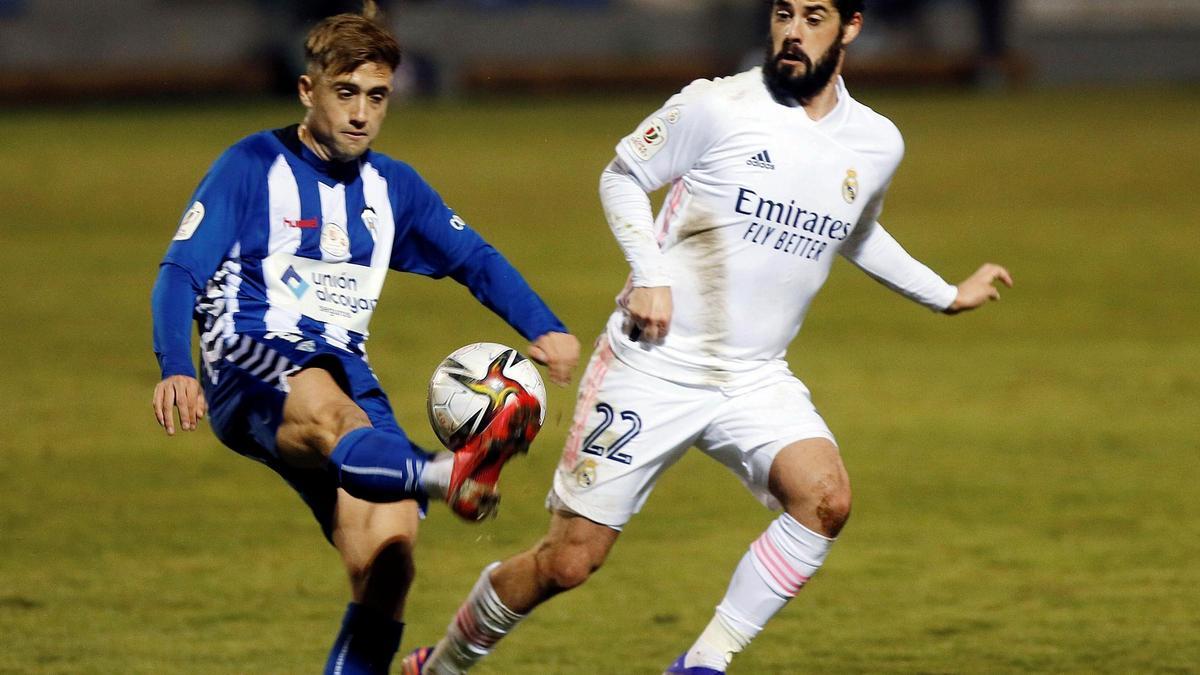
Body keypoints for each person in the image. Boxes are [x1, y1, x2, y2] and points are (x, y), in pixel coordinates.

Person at [402, 1, 1013, 673]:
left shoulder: (875, 142)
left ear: (852, 27)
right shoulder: (717, 105)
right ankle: (444, 664)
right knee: (569, 561)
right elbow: (623, 175)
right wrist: (650, 272)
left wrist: (946, 294)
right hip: (653, 363)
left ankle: (703, 662)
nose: (794, 31)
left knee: (826, 498)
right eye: (785, 13)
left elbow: (857, 230)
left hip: (755, 374)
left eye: (815, 17)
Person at [149, 3, 580, 673]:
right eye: (345, 93)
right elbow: (179, 271)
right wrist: (177, 362)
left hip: (343, 368)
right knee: (336, 414)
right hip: (248, 355)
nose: (360, 113)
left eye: (376, 96)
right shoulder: (249, 167)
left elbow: (474, 258)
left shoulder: (392, 188)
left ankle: (423, 490)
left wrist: (545, 327)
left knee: (389, 554)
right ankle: (443, 471)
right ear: (307, 90)